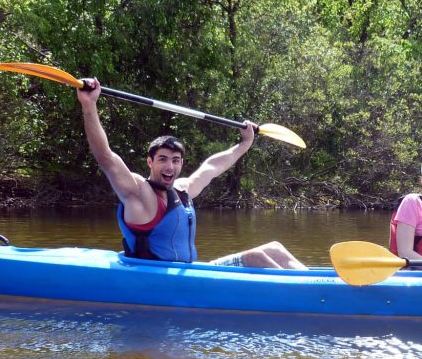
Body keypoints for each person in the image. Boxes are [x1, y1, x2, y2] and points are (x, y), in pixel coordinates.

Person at [77, 79, 305, 268]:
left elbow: (213, 167)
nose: (170, 167)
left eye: (175, 161)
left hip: (191, 274)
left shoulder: (182, 190)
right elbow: (105, 157)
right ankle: (308, 296)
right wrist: (89, 105)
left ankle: (323, 285)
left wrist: (244, 144)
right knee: (256, 259)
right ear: (150, 162)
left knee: (273, 248)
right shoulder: (137, 192)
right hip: (156, 279)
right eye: (163, 160)